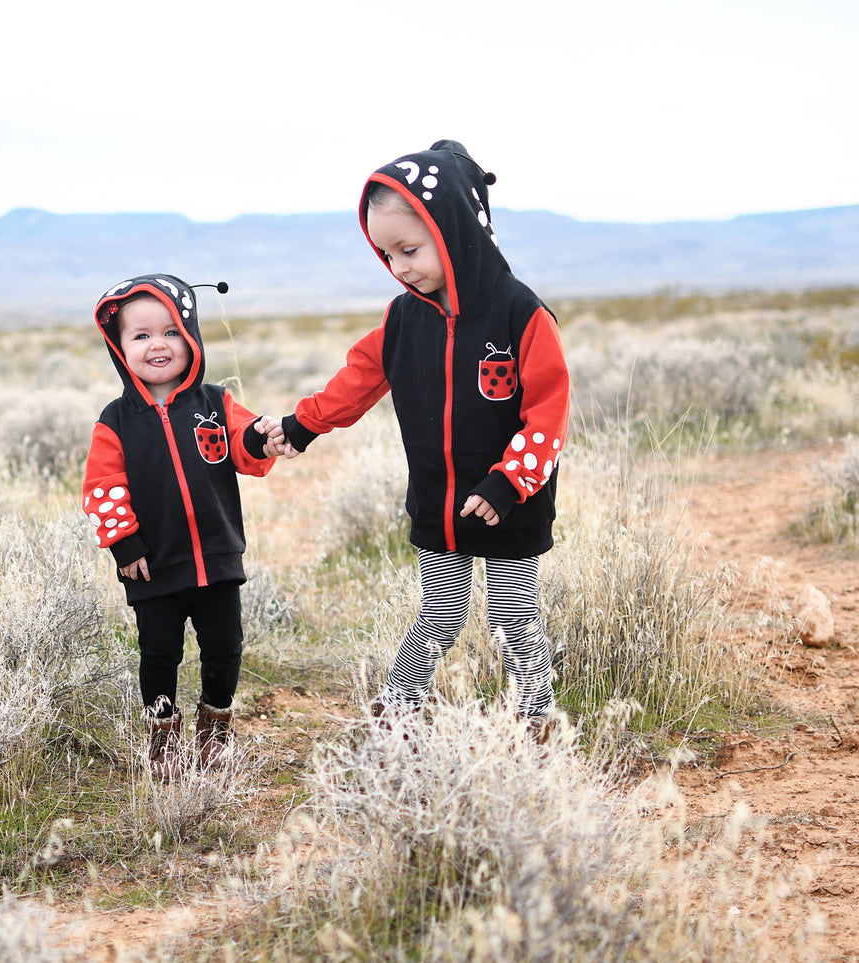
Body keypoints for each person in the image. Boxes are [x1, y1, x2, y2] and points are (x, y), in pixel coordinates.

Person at [267, 140, 570, 728]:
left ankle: (535, 720)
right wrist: (300, 426)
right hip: (439, 498)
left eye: (409, 249)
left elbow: (548, 413)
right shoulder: (404, 317)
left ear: (455, 229)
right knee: (439, 612)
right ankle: (398, 712)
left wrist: (510, 482)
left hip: (509, 502)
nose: (399, 266)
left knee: (515, 616)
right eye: (387, 255)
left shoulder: (520, 314)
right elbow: (356, 382)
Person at [83, 273, 286, 777]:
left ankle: (214, 731)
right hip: (153, 566)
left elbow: (243, 445)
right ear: (119, 346)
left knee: (225, 646)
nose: (158, 344)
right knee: (158, 654)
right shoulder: (116, 421)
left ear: (191, 337)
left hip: (217, 557)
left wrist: (262, 439)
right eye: (141, 335)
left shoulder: (215, 403)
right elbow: (102, 486)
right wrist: (125, 544)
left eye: (171, 331)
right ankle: (164, 741)